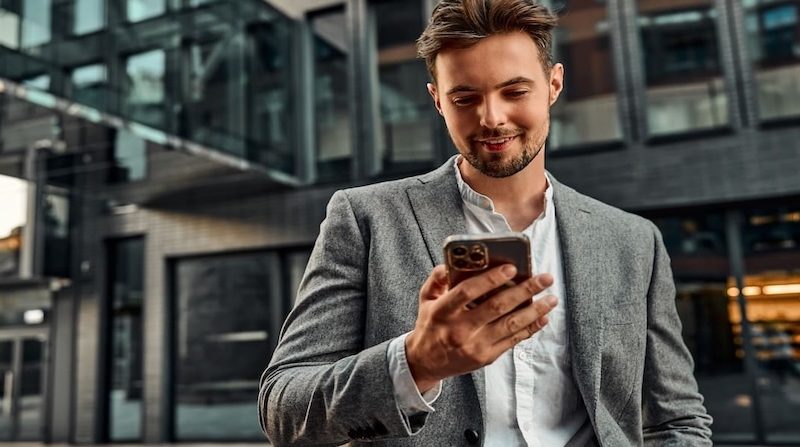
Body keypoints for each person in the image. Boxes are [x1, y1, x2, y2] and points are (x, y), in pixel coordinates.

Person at [259, 0, 713, 445]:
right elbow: (283, 408)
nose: (492, 118)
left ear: (553, 85)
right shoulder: (365, 219)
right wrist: (416, 363)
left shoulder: (633, 242)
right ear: (438, 100)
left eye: (515, 92)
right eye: (465, 98)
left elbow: (677, 419)